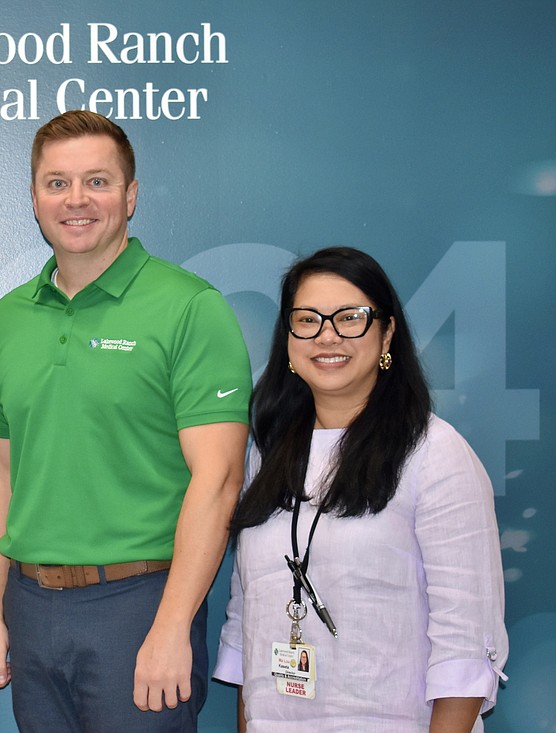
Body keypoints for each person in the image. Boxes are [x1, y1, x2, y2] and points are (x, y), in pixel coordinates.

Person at [0, 109, 252, 732]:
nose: (77, 200)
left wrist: (174, 624)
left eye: (97, 181)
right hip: (31, 607)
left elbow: (220, 478)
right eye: (57, 182)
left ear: (130, 196)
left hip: (140, 606)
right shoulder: (10, 317)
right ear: (36, 197)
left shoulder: (190, 307)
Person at [214, 247, 508, 731]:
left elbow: (465, 639)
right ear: (288, 338)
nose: (327, 335)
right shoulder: (265, 455)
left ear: (387, 332)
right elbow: (248, 618)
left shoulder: (435, 453)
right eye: (307, 319)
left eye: (350, 318)